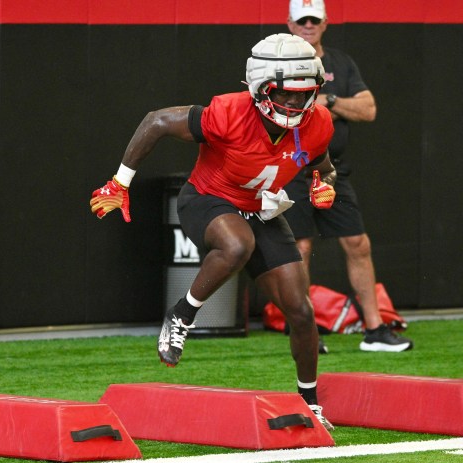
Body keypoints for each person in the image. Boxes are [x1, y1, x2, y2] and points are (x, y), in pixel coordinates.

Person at [89, 33, 337, 430]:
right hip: (208, 199)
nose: (295, 104)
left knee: (302, 312)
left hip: (260, 208)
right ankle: (182, 314)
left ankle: (310, 403)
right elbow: (155, 121)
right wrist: (120, 182)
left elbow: (321, 164)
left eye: (304, 94)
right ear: (260, 87)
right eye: (286, 94)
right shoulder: (228, 113)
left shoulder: (317, 122)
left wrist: (323, 182)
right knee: (238, 244)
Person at [285, 0, 413, 352]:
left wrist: (327, 101)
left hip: (332, 171)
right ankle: (305, 332)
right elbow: (280, 110)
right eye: (302, 20)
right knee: (301, 246)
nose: (308, 25)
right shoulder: (278, 59)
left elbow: (368, 108)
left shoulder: (340, 63)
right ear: (290, 24)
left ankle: (374, 330)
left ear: (325, 22)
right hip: (292, 169)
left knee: (358, 244)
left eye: (314, 20)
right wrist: (323, 106)